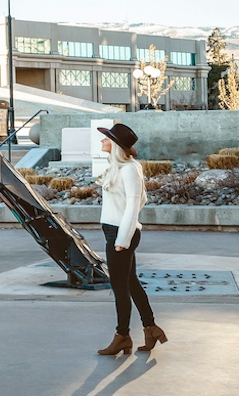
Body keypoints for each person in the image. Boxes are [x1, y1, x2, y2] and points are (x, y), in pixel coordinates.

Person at [94, 122, 168, 357]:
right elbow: (138, 200)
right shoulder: (118, 167)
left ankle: (122, 336)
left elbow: (135, 204)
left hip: (120, 235)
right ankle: (151, 328)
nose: (102, 141)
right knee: (131, 283)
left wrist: (122, 239)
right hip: (114, 232)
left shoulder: (130, 169)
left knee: (120, 287)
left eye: (106, 138)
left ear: (115, 144)